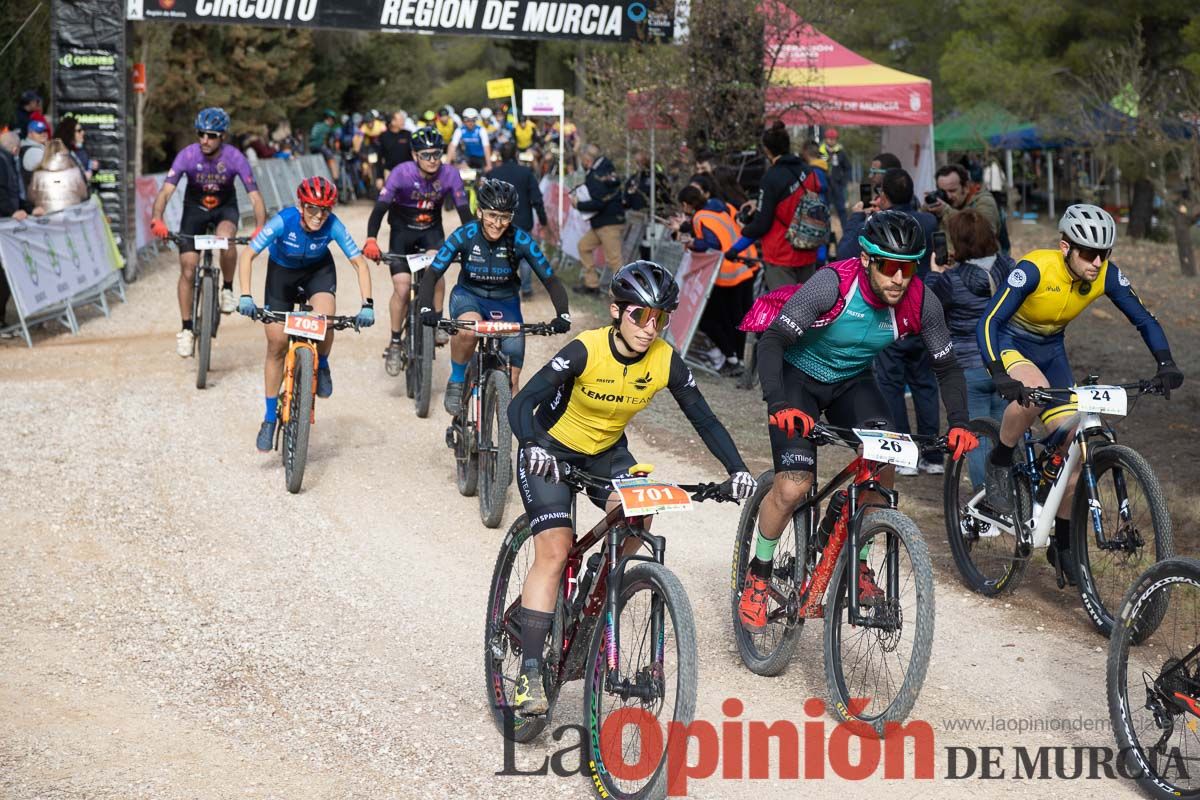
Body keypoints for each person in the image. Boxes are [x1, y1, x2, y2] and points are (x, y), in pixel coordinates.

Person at [504, 261, 757, 714]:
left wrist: (737, 469)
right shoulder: (586, 349)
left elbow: (704, 418)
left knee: (639, 513)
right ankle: (528, 674)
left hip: (606, 453)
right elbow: (522, 403)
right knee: (555, 547)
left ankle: (595, 585)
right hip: (550, 449)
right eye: (640, 315)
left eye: (660, 318)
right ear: (616, 311)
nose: (650, 328)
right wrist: (531, 444)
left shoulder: (663, 360)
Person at [737, 210, 978, 629]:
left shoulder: (922, 300)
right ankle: (757, 575)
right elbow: (774, 339)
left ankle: (860, 560)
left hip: (851, 382)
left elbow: (947, 366)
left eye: (909, 267)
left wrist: (959, 421)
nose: (899, 278)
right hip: (798, 379)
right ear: (867, 259)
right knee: (794, 486)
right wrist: (778, 403)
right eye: (889, 266)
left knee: (883, 463)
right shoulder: (833, 283)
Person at [976, 204, 1183, 582]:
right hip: (1011, 343)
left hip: (1052, 350)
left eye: (1105, 253)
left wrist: (1165, 363)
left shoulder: (1105, 275)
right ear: (1065, 246)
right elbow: (990, 320)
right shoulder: (1034, 268)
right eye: (1089, 253)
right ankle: (1001, 459)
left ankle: (1064, 542)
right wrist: (997, 371)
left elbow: (1143, 319)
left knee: (1076, 444)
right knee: (1033, 393)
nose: (1097, 261)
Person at [236, 177, 374, 451]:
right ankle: (268, 418)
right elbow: (248, 255)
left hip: (317, 273)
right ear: (301, 205)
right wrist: (245, 295)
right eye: (312, 208)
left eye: (325, 209)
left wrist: (367, 303)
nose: (319, 216)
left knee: (325, 321)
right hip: (281, 274)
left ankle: (321, 364)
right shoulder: (283, 221)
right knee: (276, 344)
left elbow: (359, 262)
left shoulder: (333, 225)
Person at [417, 179, 571, 414]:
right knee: (468, 331)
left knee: (512, 378)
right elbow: (434, 273)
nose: (498, 224)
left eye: (505, 217)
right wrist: (426, 308)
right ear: (479, 211)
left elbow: (549, 279)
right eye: (491, 215)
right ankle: (457, 379)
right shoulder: (465, 234)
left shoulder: (520, 239)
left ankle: (505, 442)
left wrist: (563, 314)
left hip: (505, 302)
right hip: (469, 296)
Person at [837, 168, 943, 475]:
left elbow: (847, 253)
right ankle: (933, 456)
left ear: (883, 195)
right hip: (921, 308)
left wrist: (858, 219)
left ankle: (904, 454)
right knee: (924, 384)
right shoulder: (928, 221)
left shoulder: (877, 225)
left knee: (890, 384)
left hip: (892, 313)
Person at [150, 107, 267, 358]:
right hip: (195, 209)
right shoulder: (188, 155)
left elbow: (255, 197)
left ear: (222, 136)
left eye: (211, 135)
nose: (205, 140)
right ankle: (186, 329)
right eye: (201, 134)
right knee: (188, 269)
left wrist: (260, 227)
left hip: (225, 208)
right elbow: (166, 192)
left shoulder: (235, 157)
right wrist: (157, 219)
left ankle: (226, 289)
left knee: (226, 239)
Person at [364, 127, 472, 375]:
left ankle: (439, 322)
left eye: (437, 154)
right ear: (415, 155)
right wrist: (371, 238)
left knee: (437, 271)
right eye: (426, 155)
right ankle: (394, 342)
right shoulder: (401, 173)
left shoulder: (450, 174)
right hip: (402, 231)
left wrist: (472, 242)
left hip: (431, 231)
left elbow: (465, 213)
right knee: (402, 288)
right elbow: (380, 208)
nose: (433, 160)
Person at [924, 209, 1013, 488]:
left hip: (968, 366)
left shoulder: (952, 280)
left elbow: (927, 305)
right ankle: (1011, 500)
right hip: (1006, 362)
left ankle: (985, 506)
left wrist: (935, 273)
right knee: (1007, 437)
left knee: (977, 438)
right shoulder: (1010, 268)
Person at [723, 122, 825, 290]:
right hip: (808, 250)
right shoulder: (808, 171)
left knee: (784, 309)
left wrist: (736, 246)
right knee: (807, 309)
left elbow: (762, 224)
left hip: (781, 255)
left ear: (767, 150)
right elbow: (811, 208)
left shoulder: (771, 177)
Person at [677, 184, 758, 376]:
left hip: (727, 271)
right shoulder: (721, 208)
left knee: (714, 317)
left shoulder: (700, 217)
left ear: (686, 204)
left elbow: (713, 244)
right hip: (746, 264)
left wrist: (692, 243)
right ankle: (737, 359)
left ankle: (733, 358)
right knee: (737, 318)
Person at [488, 141, 548, 298]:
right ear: (516, 155)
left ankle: (499, 286)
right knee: (525, 256)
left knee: (497, 253)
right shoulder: (526, 173)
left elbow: (484, 201)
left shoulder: (493, 174)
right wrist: (543, 220)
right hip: (522, 221)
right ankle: (526, 289)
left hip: (498, 222)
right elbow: (537, 199)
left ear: (500, 156)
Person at [0, 130, 45, 327]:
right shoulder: (3, 161)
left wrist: (29, 208)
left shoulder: (6, 160)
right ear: (16, 149)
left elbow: (12, 195)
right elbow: (4, 195)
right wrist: (12, 212)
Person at [572, 143, 626, 295]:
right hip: (602, 223)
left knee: (614, 260)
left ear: (587, 159)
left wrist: (579, 204)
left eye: (582, 160)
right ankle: (592, 284)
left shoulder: (595, 175)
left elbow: (598, 203)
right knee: (583, 246)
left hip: (609, 223)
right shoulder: (607, 169)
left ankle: (621, 294)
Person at [925, 163, 1000, 241]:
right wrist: (926, 211)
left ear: (966, 187)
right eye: (943, 192)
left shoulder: (984, 201)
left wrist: (946, 211)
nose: (948, 196)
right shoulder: (941, 204)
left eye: (952, 191)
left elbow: (985, 234)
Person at [27, 140, 89, 213]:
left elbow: (31, 198)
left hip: (47, 218)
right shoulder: (75, 172)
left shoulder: (38, 175)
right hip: (71, 218)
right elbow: (84, 195)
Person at [819, 128, 849, 228]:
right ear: (825, 139)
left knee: (841, 210)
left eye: (834, 139)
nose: (831, 140)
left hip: (837, 185)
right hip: (824, 185)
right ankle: (825, 234)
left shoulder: (841, 152)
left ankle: (846, 233)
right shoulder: (820, 152)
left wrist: (843, 181)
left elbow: (847, 168)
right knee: (824, 209)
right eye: (829, 138)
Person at [55, 116, 96, 185]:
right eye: (79, 130)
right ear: (69, 133)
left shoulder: (73, 151)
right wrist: (80, 179)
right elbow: (55, 181)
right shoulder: (59, 155)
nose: (83, 132)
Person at [308, 109, 340, 182]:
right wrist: (336, 150)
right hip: (319, 146)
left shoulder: (317, 125)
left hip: (312, 147)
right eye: (333, 119)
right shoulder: (327, 127)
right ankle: (336, 179)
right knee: (331, 158)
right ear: (329, 119)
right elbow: (334, 140)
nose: (333, 122)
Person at [377, 111, 413, 175]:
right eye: (401, 120)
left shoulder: (408, 134)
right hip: (390, 172)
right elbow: (380, 157)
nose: (403, 122)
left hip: (407, 172)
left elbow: (413, 154)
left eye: (403, 119)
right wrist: (379, 177)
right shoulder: (384, 136)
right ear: (393, 122)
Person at [19, 120, 50, 187]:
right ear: (30, 134)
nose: (43, 134)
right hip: (37, 192)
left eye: (45, 131)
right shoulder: (33, 151)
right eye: (39, 131)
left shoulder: (38, 147)